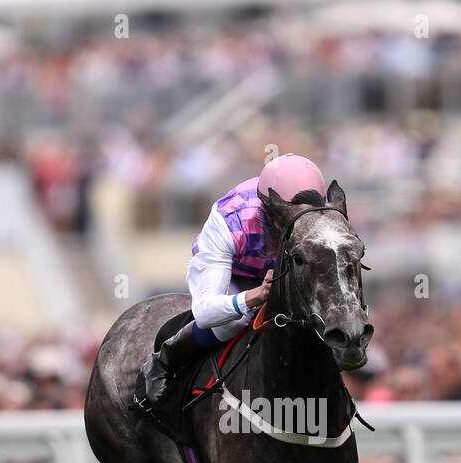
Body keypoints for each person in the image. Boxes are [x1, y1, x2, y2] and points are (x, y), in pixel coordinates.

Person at [135, 153, 328, 411]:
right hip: (234, 272)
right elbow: (205, 312)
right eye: (286, 218)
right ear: (268, 209)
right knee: (234, 320)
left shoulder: (324, 215)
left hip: (279, 270)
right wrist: (255, 296)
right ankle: (167, 358)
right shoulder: (232, 218)